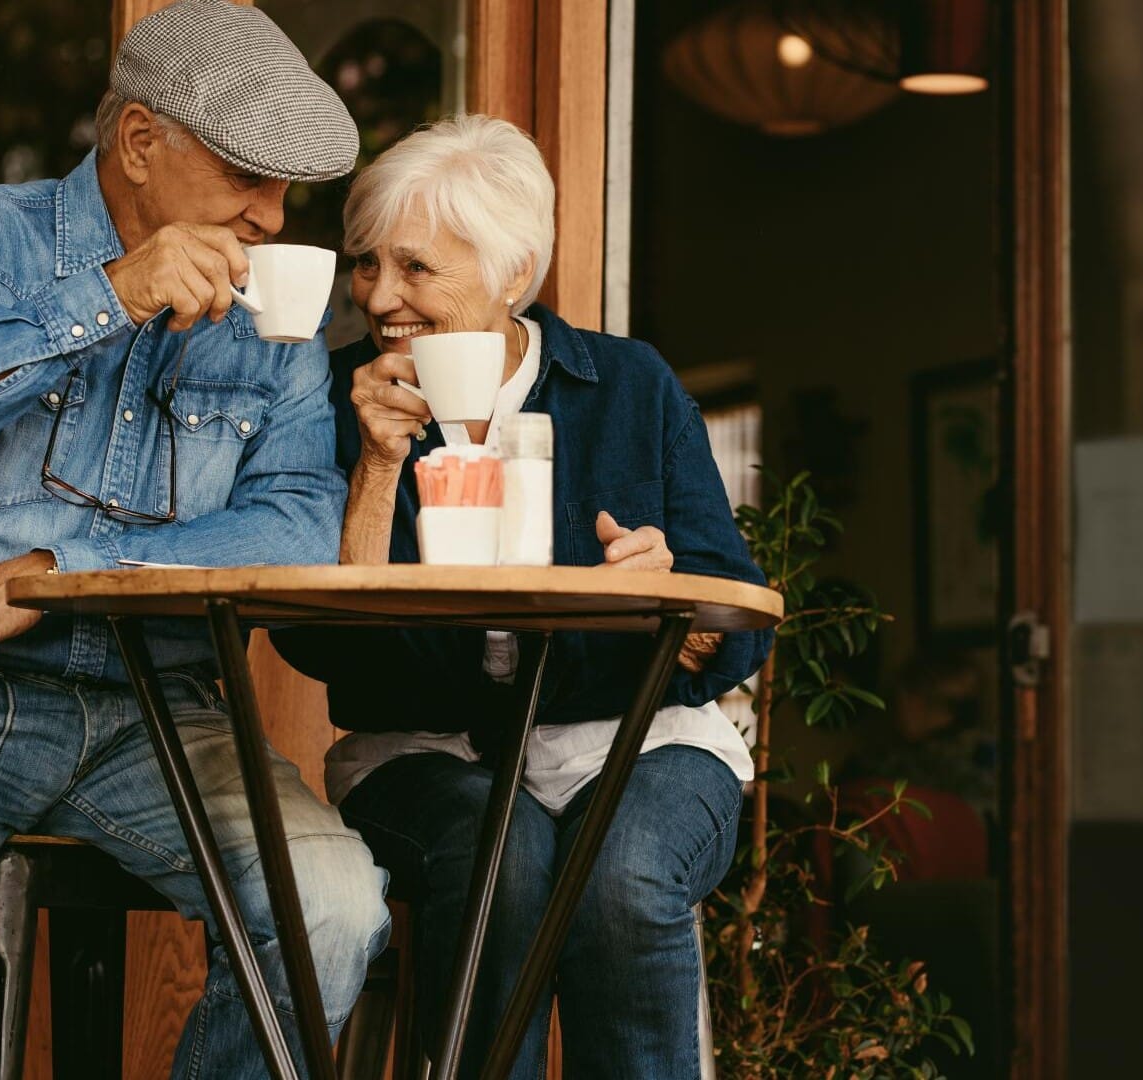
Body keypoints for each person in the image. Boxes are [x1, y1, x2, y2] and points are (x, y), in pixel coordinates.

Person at [0, 3, 389, 1077]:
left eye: (287, 189)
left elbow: (296, 521)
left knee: (335, 913)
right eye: (247, 175)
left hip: (167, 719)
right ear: (141, 142)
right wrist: (106, 297)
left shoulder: (280, 310)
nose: (269, 216)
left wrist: (58, 575)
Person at [275, 114, 774, 1079]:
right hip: (424, 750)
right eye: (366, 265)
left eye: (416, 268)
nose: (381, 296)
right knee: (501, 865)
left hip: (636, 740)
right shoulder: (336, 397)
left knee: (621, 878)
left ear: (513, 272)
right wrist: (378, 465)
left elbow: (736, 603)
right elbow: (315, 643)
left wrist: (668, 604)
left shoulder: (628, 385)